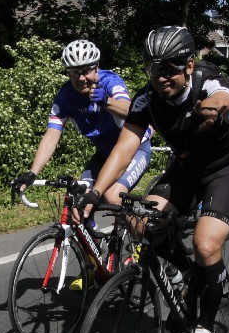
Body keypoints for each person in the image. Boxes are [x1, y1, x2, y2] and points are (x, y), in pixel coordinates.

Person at [72, 26, 229, 333]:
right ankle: (191, 272)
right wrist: (96, 192)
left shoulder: (209, 82)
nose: (162, 77)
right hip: (186, 170)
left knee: (206, 243)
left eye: (170, 68)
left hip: (227, 168)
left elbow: (223, 97)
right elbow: (124, 148)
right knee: (138, 221)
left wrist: (212, 108)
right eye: (155, 69)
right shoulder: (147, 100)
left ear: (189, 66)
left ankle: (204, 327)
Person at [12, 39, 152, 209]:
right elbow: (51, 137)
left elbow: (131, 110)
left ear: (96, 67)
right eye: (74, 73)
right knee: (78, 200)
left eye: (86, 71)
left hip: (135, 149)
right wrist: (33, 172)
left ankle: (141, 226)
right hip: (104, 154)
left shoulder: (109, 81)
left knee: (112, 197)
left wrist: (107, 101)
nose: (81, 78)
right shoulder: (66, 96)